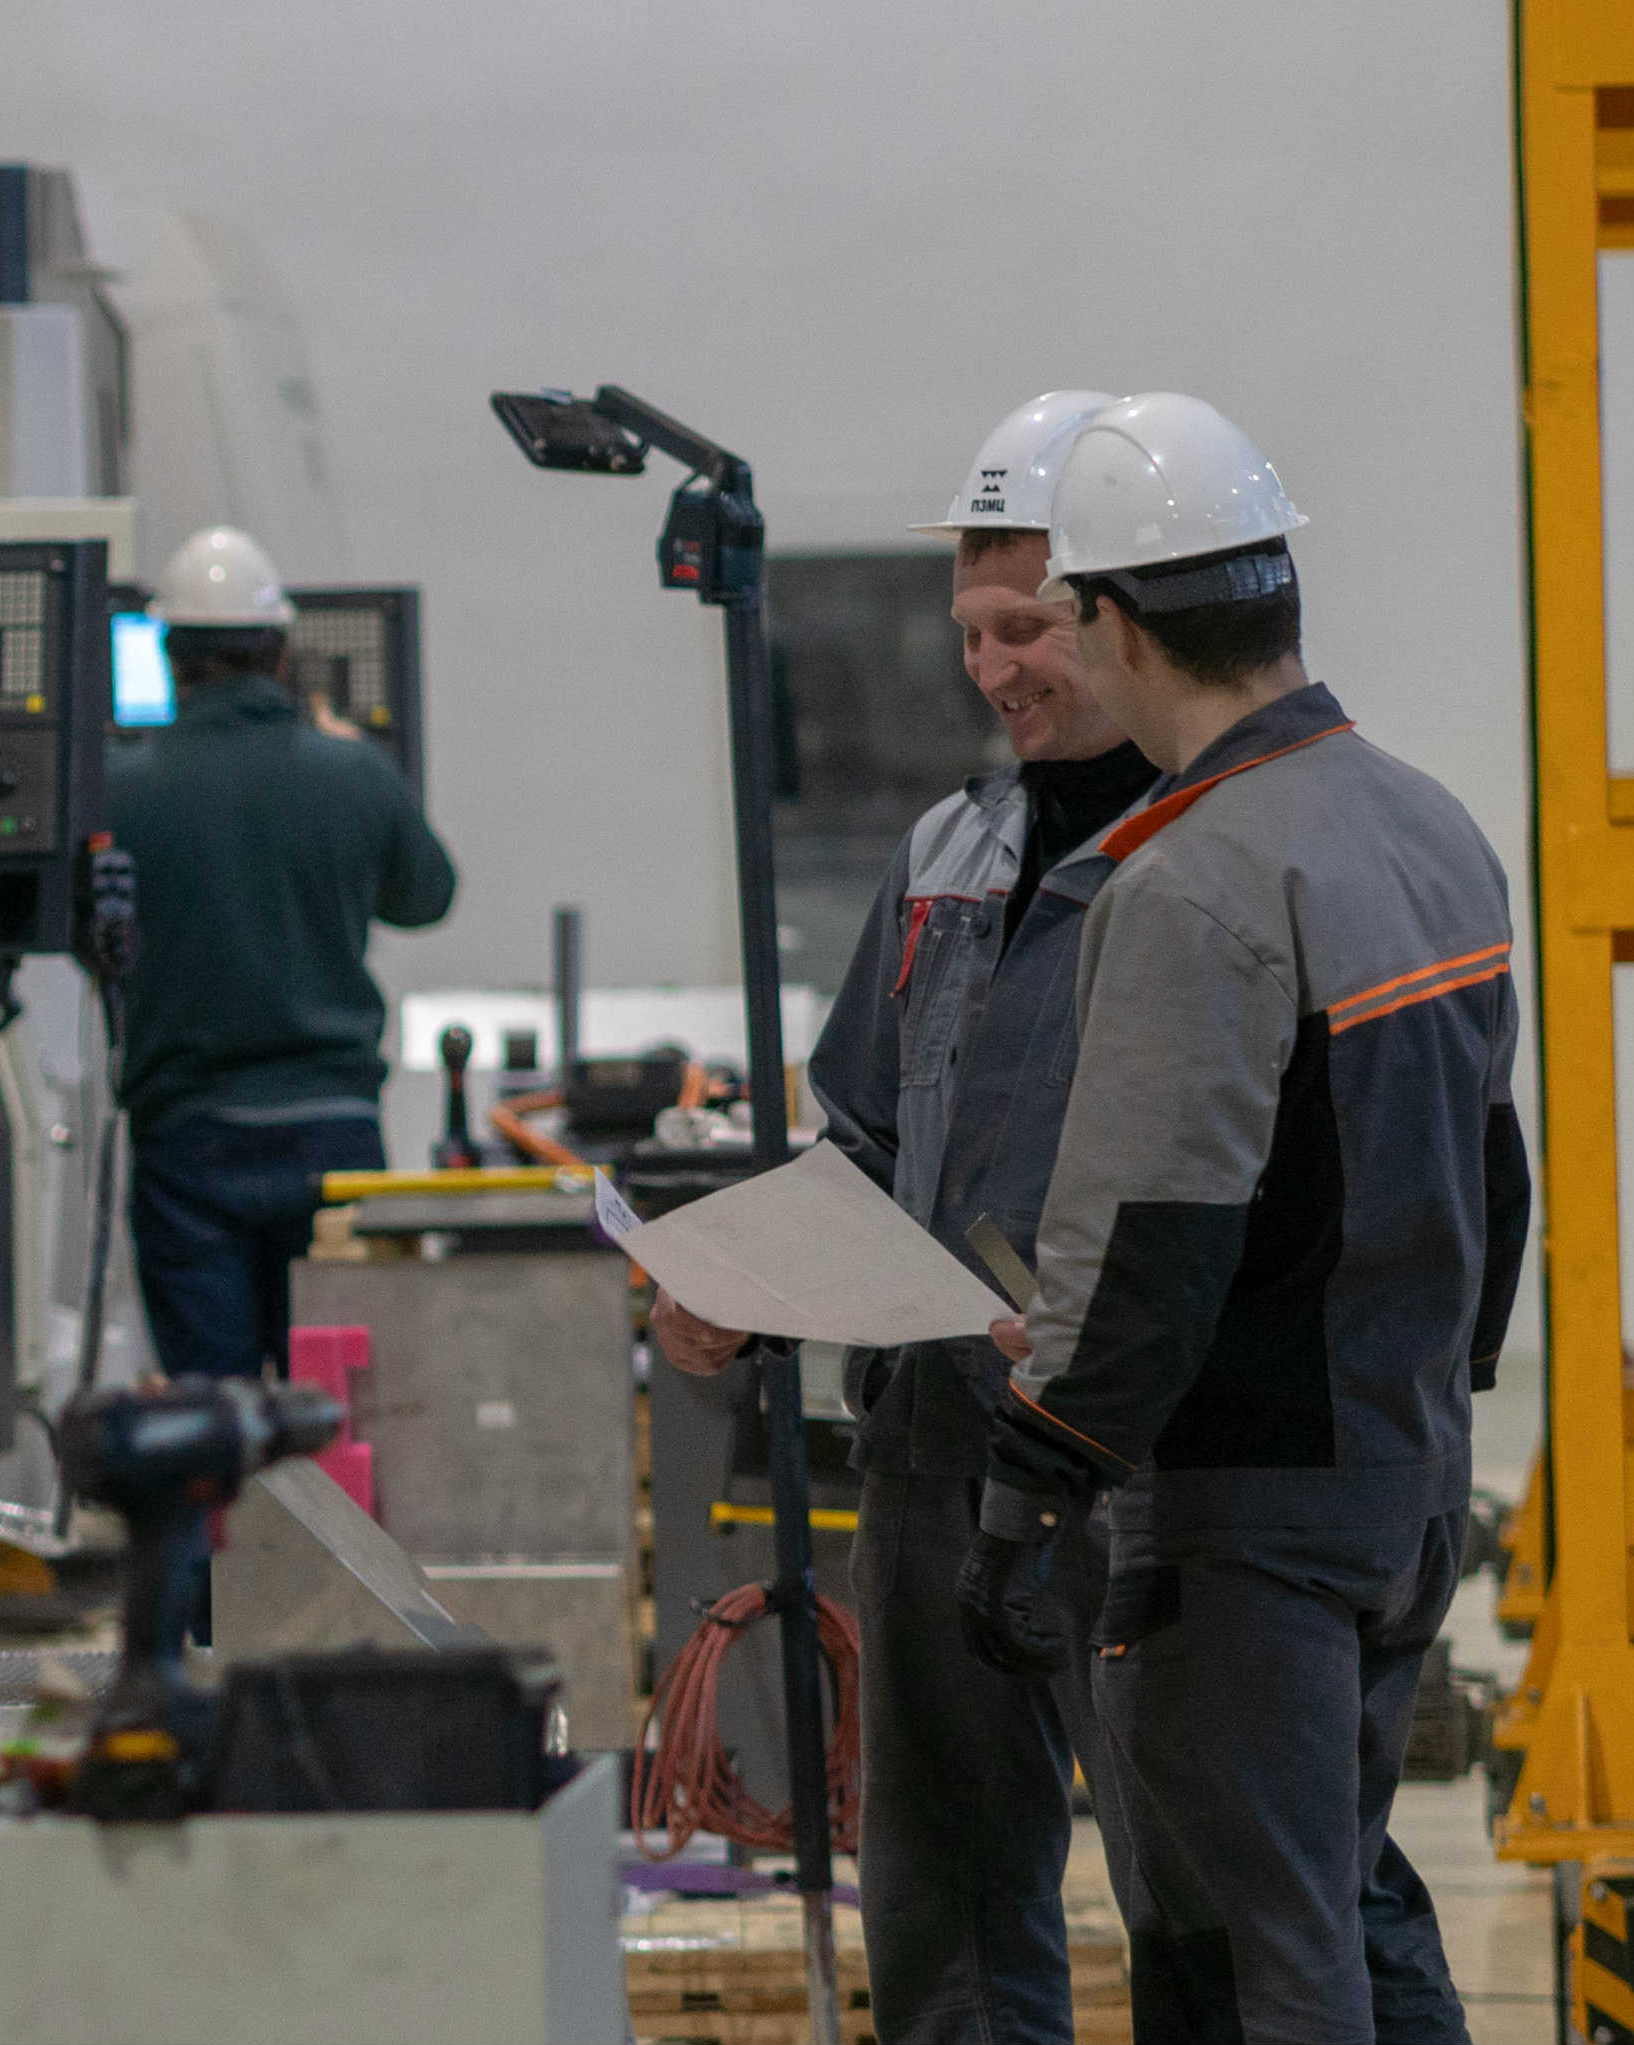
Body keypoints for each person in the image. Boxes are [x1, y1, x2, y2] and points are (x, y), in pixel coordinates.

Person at [962, 394, 1526, 2045]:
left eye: (1065, 619)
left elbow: (1153, 1234)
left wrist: (1035, 1479)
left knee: (1248, 1961)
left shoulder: (1194, 881)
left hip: (1247, 1519)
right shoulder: (1423, 825)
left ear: (1120, 624)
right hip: (1400, 1478)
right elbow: (1490, 1170)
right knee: (1335, 1913)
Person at [648, 391, 1162, 2044]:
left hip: (1136, 1468)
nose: (993, 664)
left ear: (1125, 614)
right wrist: (740, 1282)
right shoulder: (947, 851)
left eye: (1029, 627)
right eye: (972, 631)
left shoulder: (1222, 858)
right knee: (943, 1901)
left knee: (1200, 1895)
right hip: (936, 1458)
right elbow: (865, 1133)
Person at [107, 523, 457, 1379]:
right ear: (282, 649)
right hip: (332, 1139)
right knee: (332, 1404)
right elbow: (427, 898)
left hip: (188, 1142)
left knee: (216, 1425)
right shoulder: (353, 773)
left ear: (171, 652)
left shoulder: (120, 786)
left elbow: (93, 936)